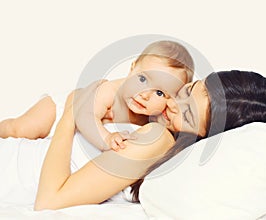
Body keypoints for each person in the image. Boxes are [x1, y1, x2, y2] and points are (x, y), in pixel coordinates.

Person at [0, 70, 266, 210]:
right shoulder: (155, 122)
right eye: (187, 90)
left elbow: (49, 202)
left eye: (187, 115)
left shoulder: (157, 140)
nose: (173, 103)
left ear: (203, 138)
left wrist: (69, 114)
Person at [0, 40, 194, 151]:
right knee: (20, 129)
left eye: (159, 92)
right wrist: (107, 140)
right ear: (132, 68)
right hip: (58, 113)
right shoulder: (110, 90)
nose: (144, 95)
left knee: (33, 151)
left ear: (172, 99)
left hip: (67, 142)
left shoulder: (156, 119)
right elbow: (85, 116)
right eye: (142, 79)